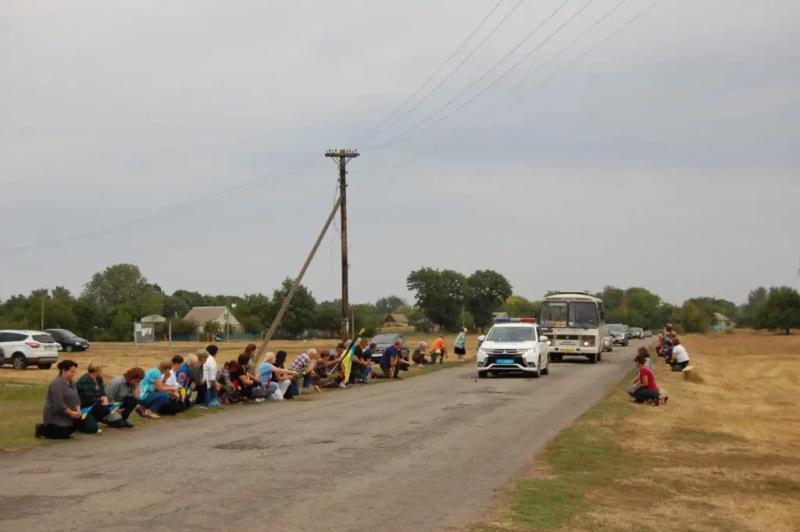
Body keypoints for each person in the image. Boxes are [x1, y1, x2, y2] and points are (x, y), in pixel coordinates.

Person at [36, 360, 83, 439]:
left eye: (74, 372)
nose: (73, 374)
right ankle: (42, 429)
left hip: (69, 414)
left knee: (79, 426)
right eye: (71, 372)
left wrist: (78, 410)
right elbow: (58, 404)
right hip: (56, 414)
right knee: (63, 435)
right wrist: (71, 413)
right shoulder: (56, 384)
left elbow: (77, 398)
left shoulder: (73, 383)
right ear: (63, 371)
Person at [75, 359, 123, 430]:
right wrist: (102, 400)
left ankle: (104, 417)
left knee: (119, 422)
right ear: (97, 370)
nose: (102, 371)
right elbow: (88, 399)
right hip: (85, 407)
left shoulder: (98, 378)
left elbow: (102, 391)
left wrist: (104, 397)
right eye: (101, 369)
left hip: (96, 405)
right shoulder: (85, 380)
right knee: (92, 429)